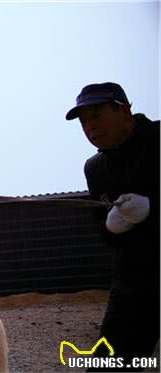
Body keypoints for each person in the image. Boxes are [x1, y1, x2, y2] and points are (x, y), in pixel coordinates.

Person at [66, 82, 159, 371]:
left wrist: (153, 209)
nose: (90, 127)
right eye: (83, 121)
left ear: (125, 111)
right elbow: (104, 233)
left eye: (96, 115)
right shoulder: (95, 168)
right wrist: (112, 227)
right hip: (134, 279)